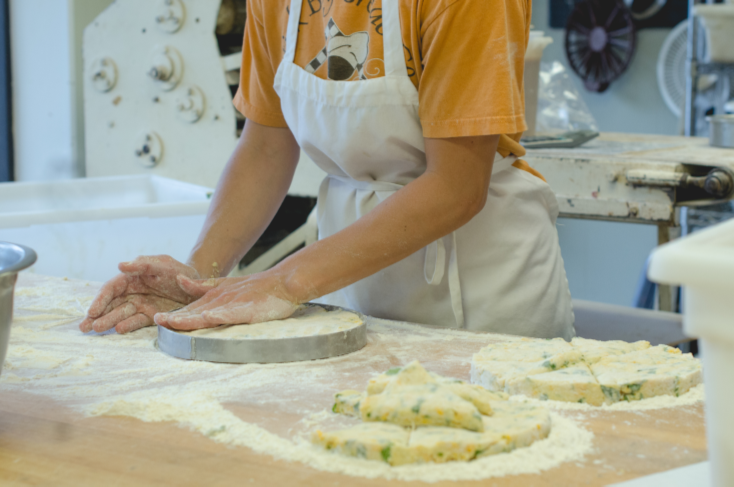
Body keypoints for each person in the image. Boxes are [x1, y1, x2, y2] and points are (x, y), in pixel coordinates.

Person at [80, 0, 575, 339]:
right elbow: (266, 146)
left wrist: (285, 281)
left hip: (482, 292)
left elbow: (457, 186)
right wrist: (197, 281)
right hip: (350, 277)